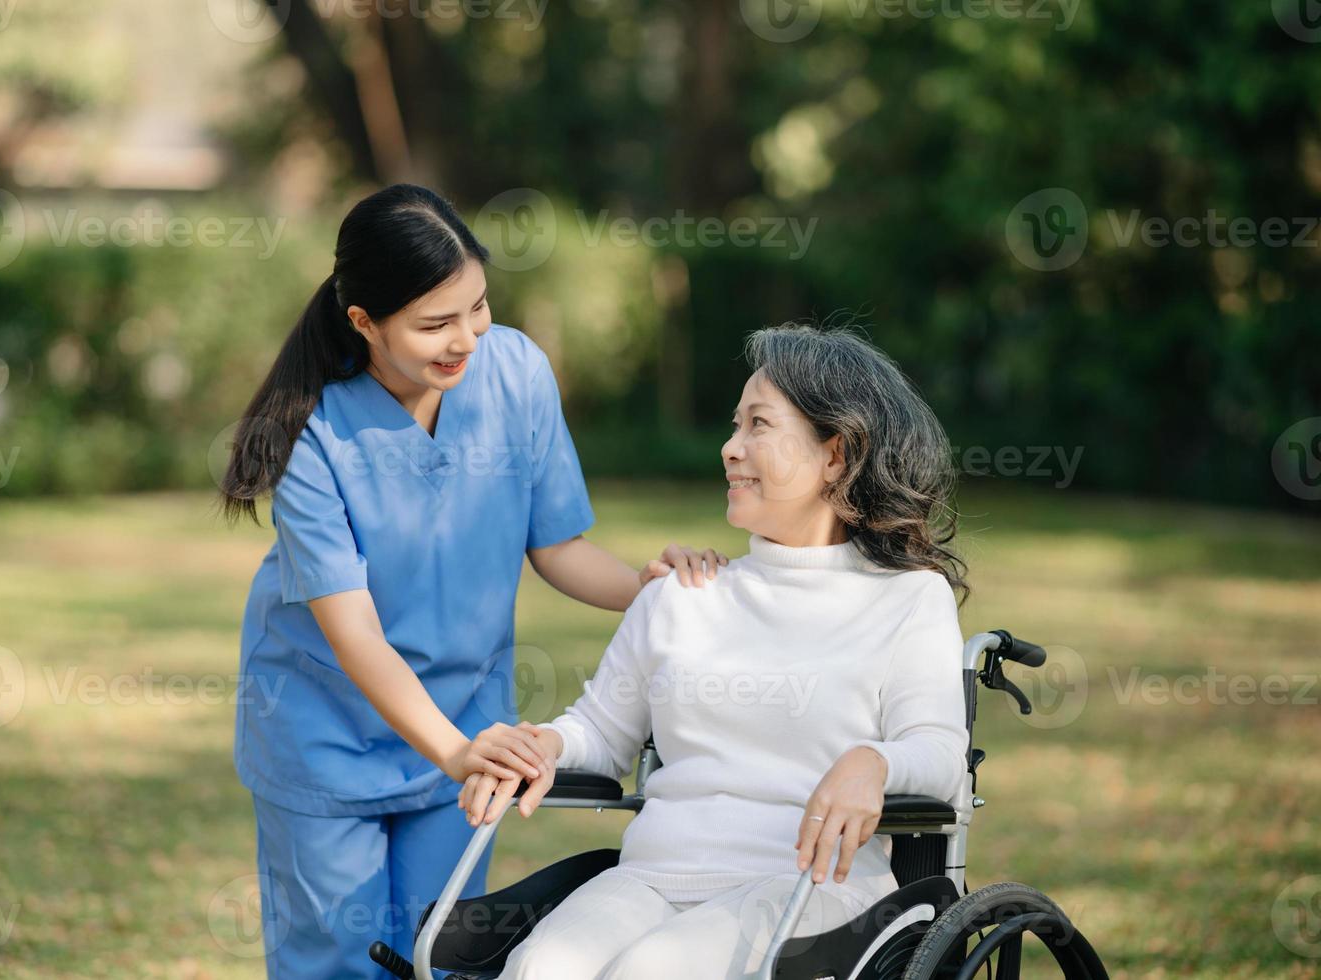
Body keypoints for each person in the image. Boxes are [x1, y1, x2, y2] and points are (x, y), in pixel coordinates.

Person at [218, 183, 726, 979]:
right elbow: (355, 636)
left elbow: (557, 546)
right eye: (434, 325)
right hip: (327, 734)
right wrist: (457, 753)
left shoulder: (516, 372)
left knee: (442, 952)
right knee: (339, 961)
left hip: (466, 724)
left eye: (477, 308)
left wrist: (647, 585)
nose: (466, 339)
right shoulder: (313, 433)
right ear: (364, 323)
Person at [458, 322, 972, 979]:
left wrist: (874, 761)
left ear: (836, 455)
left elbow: (937, 751)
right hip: (652, 878)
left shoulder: (906, 600)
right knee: (540, 969)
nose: (730, 449)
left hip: (811, 889)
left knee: (648, 973)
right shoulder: (680, 595)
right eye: (735, 426)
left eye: (758, 425)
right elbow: (600, 731)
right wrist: (547, 746)